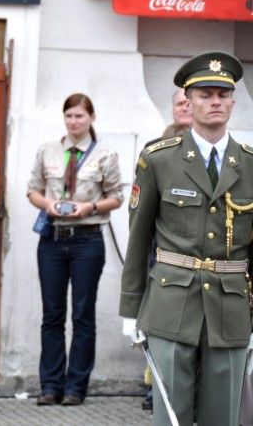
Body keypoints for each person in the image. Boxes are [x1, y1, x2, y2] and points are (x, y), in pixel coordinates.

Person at [120, 51, 251, 426]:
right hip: (171, 302)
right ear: (188, 102)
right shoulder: (159, 160)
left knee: (223, 416)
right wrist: (131, 308)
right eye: (206, 94)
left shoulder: (250, 164)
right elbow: (138, 240)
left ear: (232, 102)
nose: (215, 102)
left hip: (230, 309)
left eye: (222, 95)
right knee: (171, 415)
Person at [26, 93, 123, 406]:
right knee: (52, 315)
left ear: (91, 118)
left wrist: (89, 206)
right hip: (53, 239)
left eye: (80, 116)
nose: (74, 121)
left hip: (87, 240)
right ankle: (51, 386)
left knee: (83, 314)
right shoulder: (48, 150)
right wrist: (48, 203)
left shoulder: (105, 154)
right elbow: (33, 190)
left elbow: (117, 197)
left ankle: (75, 388)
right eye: (69, 115)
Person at [141, 87, 192, 412]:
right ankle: (154, 387)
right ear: (172, 108)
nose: (186, 107)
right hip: (161, 252)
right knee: (158, 324)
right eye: (180, 103)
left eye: (190, 101)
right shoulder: (154, 150)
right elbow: (142, 209)